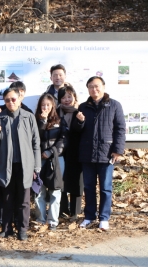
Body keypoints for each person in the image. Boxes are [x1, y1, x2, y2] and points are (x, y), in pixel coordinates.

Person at [75, 76, 126, 231]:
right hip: (87, 153)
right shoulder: (83, 107)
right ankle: (89, 216)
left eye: (97, 86)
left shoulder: (114, 105)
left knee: (105, 187)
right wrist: (79, 122)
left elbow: (120, 129)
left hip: (107, 153)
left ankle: (104, 218)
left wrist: (117, 150)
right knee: (89, 187)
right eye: (91, 87)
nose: (94, 90)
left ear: (103, 87)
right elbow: (77, 132)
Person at [0, 88, 40, 241]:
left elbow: (36, 143)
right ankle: (6, 229)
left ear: (19, 99)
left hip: (25, 165)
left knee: (24, 200)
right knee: (6, 198)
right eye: (7, 100)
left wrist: (36, 167)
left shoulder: (29, 117)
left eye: (13, 99)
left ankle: (23, 229)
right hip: (6, 165)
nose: (10, 102)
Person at [34, 94, 66, 231]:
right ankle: (40, 219)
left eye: (48, 104)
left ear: (53, 105)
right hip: (38, 159)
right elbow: (35, 138)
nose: (45, 107)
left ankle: (53, 221)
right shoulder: (35, 120)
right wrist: (43, 121)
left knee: (55, 190)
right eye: (43, 105)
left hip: (56, 159)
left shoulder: (60, 120)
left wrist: (51, 152)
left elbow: (63, 140)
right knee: (38, 190)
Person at [57, 87, 84, 220]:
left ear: (74, 97)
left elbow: (82, 130)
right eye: (63, 97)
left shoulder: (80, 112)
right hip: (59, 152)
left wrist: (80, 122)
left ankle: (75, 212)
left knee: (76, 182)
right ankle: (62, 209)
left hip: (76, 152)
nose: (67, 100)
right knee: (60, 180)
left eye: (69, 96)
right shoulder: (55, 112)